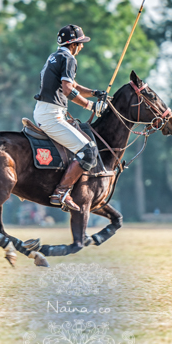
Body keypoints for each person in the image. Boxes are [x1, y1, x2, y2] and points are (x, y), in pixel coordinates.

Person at [33, 25, 107, 211]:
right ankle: (61, 192)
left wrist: (95, 93)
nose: (82, 46)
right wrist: (91, 106)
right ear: (73, 44)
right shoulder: (69, 59)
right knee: (88, 151)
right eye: (81, 43)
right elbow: (67, 90)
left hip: (45, 111)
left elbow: (72, 84)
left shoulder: (55, 56)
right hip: (51, 115)